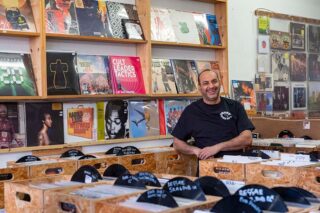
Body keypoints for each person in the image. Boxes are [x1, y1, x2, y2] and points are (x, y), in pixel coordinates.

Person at [172, 69, 255, 160]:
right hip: (207, 167)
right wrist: (197, 151)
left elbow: (247, 139)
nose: (211, 86)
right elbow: (177, 143)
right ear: (200, 87)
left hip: (234, 165)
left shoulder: (235, 106)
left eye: (214, 81)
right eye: (206, 83)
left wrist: (217, 148)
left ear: (219, 83)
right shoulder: (191, 111)